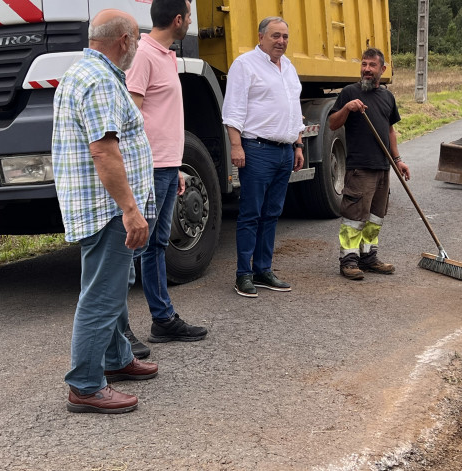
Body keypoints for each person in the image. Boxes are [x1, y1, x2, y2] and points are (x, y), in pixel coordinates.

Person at [52, 9, 159, 414]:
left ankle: (115, 360)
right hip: (108, 208)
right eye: (136, 40)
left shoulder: (82, 73)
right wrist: (130, 209)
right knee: (102, 294)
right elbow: (103, 149)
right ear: (126, 41)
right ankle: (85, 384)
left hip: (100, 204)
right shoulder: (100, 81)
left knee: (111, 284)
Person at [124, 0, 208, 353]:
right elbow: (131, 115)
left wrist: (175, 168)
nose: (190, 22)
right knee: (129, 249)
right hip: (149, 168)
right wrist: (145, 168)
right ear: (178, 20)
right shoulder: (143, 55)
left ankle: (162, 320)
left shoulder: (164, 55)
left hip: (165, 166)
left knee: (156, 245)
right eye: (188, 16)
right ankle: (120, 330)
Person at [221, 16, 305, 298]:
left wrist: (298, 144)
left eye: (285, 36)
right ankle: (243, 274)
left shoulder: (289, 67)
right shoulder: (245, 65)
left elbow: (294, 109)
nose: (281, 41)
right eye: (275, 36)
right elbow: (233, 110)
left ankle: (264, 270)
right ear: (260, 37)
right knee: (250, 215)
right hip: (256, 150)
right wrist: (236, 146)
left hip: (284, 151)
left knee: (272, 214)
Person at [327, 47, 409, 281]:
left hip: (383, 166)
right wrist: (347, 108)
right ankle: (349, 261)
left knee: (375, 216)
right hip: (360, 167)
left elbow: (391, 131)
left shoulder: (387, 97)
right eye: (364, 64)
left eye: (372, 65)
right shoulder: (349, 93)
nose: (366, 69)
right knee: (354, 217)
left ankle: (368, 257)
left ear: (382, 69)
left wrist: (398, 160)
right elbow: (333, 124)